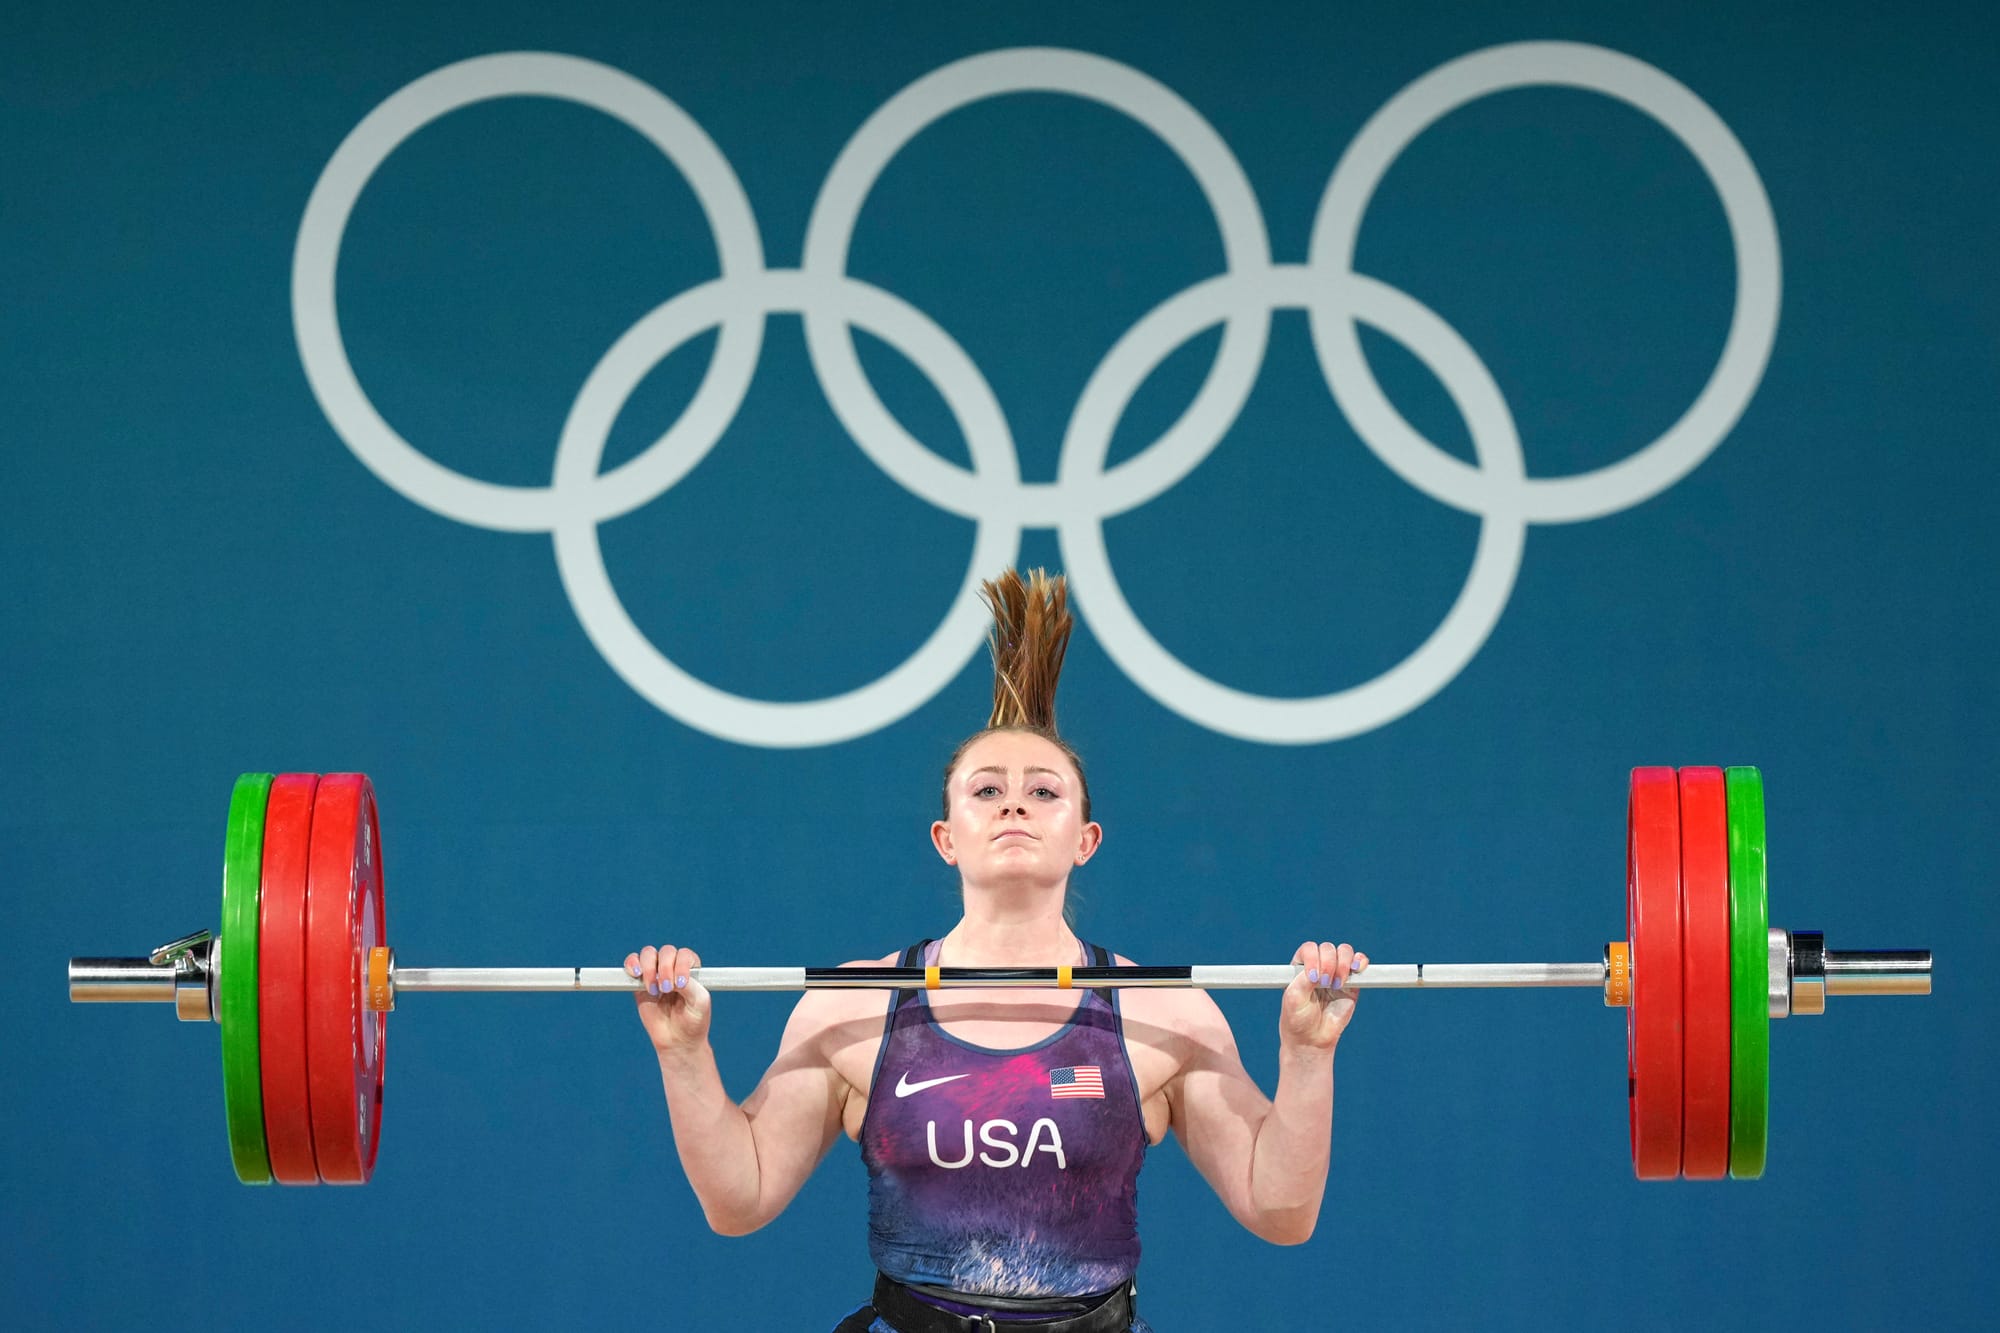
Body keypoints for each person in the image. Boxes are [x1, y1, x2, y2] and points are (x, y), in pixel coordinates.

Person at [625, 568, 1366, 1331]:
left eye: (1044, 790)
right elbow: (740, 1198)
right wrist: (683, 1052)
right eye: (986, 790)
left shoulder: (1163, 1009)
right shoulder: (855, 1003)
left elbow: (1281, 1212)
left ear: (1086, 838)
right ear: (946, 837)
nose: (1014, 802)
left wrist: (1308, 1054)